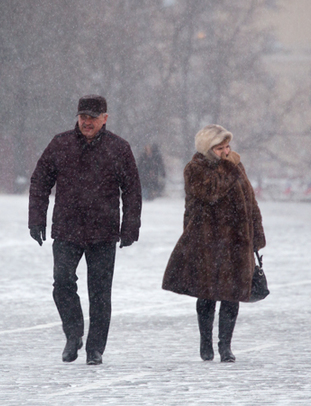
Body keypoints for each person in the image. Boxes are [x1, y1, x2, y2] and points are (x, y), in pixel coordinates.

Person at [28, 95, 142, 365]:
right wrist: (36, 219)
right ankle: (74, 333)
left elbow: (133, 191)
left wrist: (130, 227)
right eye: (83, 117)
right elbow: (40, 181)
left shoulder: (119, 148)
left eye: (92, 117)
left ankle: (95, 348)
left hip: (104, 231)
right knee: (62, 282)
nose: (87, 122)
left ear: (105, 118)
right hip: (67, 229)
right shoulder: (60, 144)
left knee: (100, 292)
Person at [162, 124, 265, 362]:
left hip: (237, 242)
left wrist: (256, 235)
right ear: (208, 149)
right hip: (206, 242)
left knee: (232, 295)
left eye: (227, 146)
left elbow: (250, 201)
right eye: (220, 148)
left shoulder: (235, 166)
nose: (226, 152)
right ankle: (206, 343)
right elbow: (211, 191)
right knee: (207, 294)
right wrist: (229, 168)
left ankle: (225, 347)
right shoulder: (195, 169)